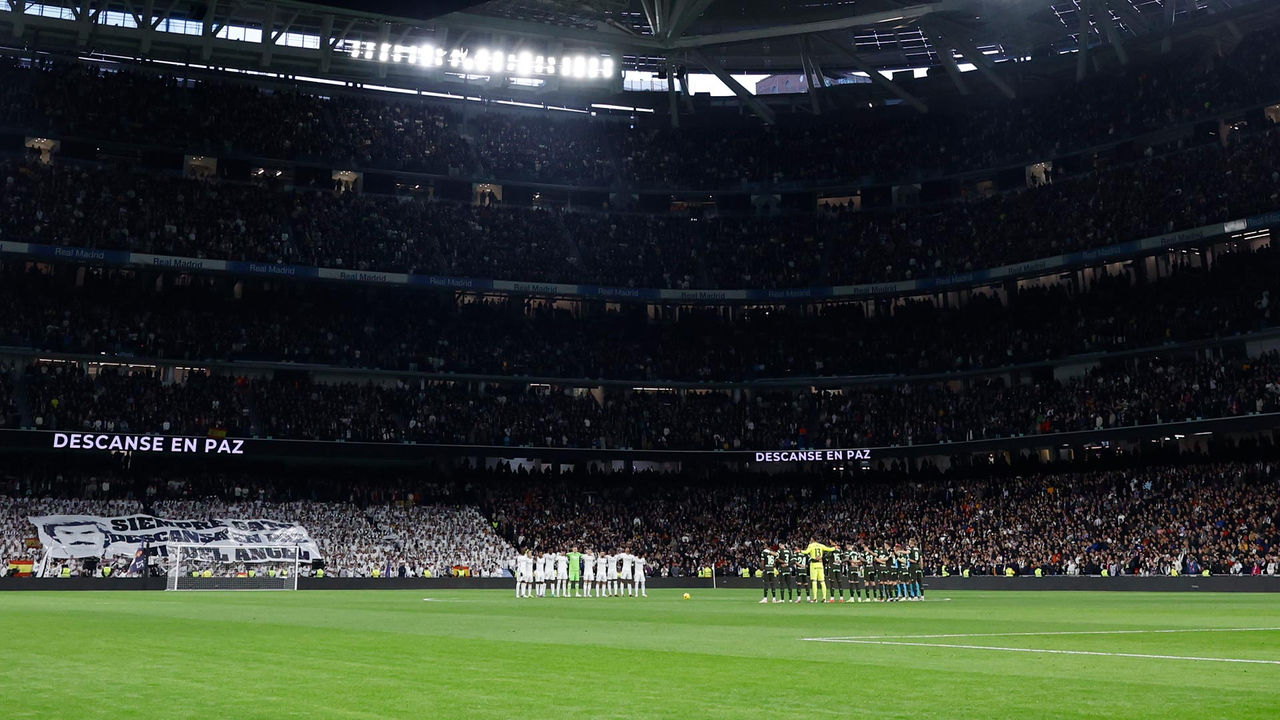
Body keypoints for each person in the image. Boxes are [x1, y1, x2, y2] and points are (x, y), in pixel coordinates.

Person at [799, 538, 838, 603]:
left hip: (814, 565)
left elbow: (806, 552)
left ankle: (815, 598)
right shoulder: (821, 545)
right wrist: (835, 548)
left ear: (813, 539)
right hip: (820, 565)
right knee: (822, 581)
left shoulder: (811, 545)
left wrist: (800, 551)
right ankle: (824, 598)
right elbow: (829, 549)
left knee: (814, 581)